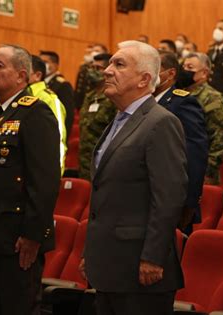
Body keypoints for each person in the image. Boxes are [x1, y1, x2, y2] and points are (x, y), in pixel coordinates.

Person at [80, 40, 187, 315]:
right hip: (110, 265)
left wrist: (152, 257)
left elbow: (168, 198)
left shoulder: (160, 122)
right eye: (109, 63)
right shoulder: (117, 121)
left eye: (119, 64)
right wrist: (93, 253)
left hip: (140, 271)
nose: (106, 70)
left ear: (144, 79)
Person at [0, 44, 60, 315]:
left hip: (17, 238)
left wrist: (33, 235)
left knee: (16, 306)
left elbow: (44, 180)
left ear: (21, 76)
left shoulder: (35, 112)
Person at [154, 52, 208, 233]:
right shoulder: (141, 102)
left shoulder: (183, 103)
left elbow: (194, 155)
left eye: (155, 69)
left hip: (173, 200)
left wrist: (190, 204)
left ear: (170, 74)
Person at [180, 52, 223, 185]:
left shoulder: (211, 97)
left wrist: (209, 171)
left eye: (190, 67)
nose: (185, 71)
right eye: (184, 67)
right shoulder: (180, 93)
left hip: (201, 170)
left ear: (204, 73)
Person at [78, 53, 116, 180]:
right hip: (84, 161)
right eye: (92, 68)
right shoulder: (89, 96)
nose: (93, 71)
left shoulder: (113, 97)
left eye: (98, 68)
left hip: (102, 161)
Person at [28, 55, 67, 175]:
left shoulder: (48, 98)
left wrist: (55, 177)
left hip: (40, 174)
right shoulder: (15, 96)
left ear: (37, 75)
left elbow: (59, 139)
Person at [39, 50, 75, 137]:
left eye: (45, 62)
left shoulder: (63, 85)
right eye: (40, 62)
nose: (42, 65)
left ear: (55, 65)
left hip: (54, 132)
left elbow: (67, 116)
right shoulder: (39, 83)